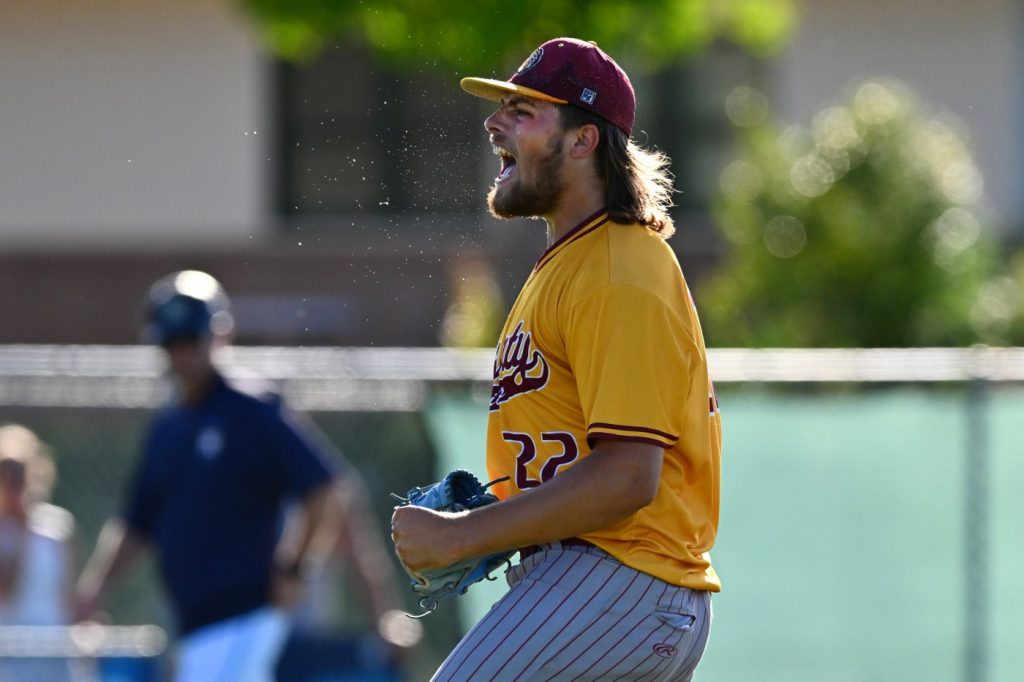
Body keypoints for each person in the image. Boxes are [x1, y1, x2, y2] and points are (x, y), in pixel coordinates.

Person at [391, 38, 722, 680]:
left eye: (525, 110)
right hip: (614, 586)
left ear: (583, 140)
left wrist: (464, 537)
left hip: (622, 580)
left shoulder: (619, 267)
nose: (496, 122)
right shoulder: (572, 263)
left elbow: (629, 476)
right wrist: (504, 515)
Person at [75, 270, 403, 682]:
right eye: (172, 343)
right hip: (193, 626)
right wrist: (94, 589)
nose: (182, 354)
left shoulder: (252, 410)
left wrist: (294, 569)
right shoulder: (169, 427)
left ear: (220, 335)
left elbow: (327, 490)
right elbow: (137, 520)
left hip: (244, 621)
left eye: (190, 339)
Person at [0, 424, 91, 682]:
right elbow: (7, 588)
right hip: (8, 651)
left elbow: (69, 595)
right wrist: (20, 532)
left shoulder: (59, 527)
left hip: (55, 647)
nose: (14, 484)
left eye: (19, 474)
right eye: (6, 475)